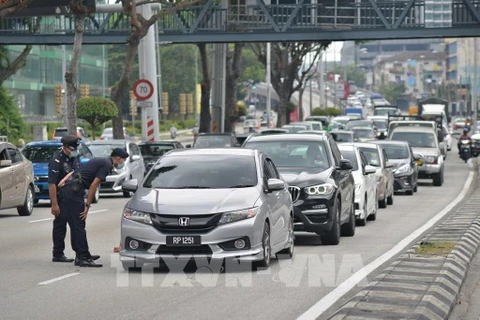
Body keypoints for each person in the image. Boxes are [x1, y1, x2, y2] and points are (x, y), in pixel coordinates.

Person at [59, 148, 129, 267]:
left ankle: (80, 255)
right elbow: (94, 185)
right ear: (118, 158)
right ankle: (84, 257)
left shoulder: (101, 160)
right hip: (74, 192)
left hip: (69, 190)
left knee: (76, 224)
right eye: (123, 160)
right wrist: (87, 205)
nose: (123, 162)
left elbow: (77, 171)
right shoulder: (107, 164)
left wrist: (64, 181)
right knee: (79, 224)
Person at [49, 134, 83, 263]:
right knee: (60, 226)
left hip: (74, 198)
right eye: (73, 149)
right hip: (62, 199)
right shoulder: (57, 161)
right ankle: (57, 253)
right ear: (66, 147)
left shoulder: (75, 158)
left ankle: (80, 253)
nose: (76, 151)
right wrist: (54, 204)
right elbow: (52, 184)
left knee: (76, 226)